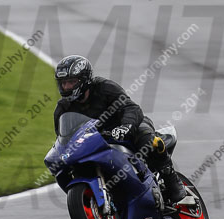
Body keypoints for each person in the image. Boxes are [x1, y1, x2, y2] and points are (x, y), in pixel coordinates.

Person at [53, 55, 190, 204]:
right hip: (98, 140)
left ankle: (173, 183)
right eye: (64, 83)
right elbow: (64, 136)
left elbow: (131, 108)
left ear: (85, 79)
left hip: (129, 127)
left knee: (150, 142)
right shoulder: (63, 108)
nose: (66, 87)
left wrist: (125, 127)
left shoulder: (104, 88)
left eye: (71, 82)